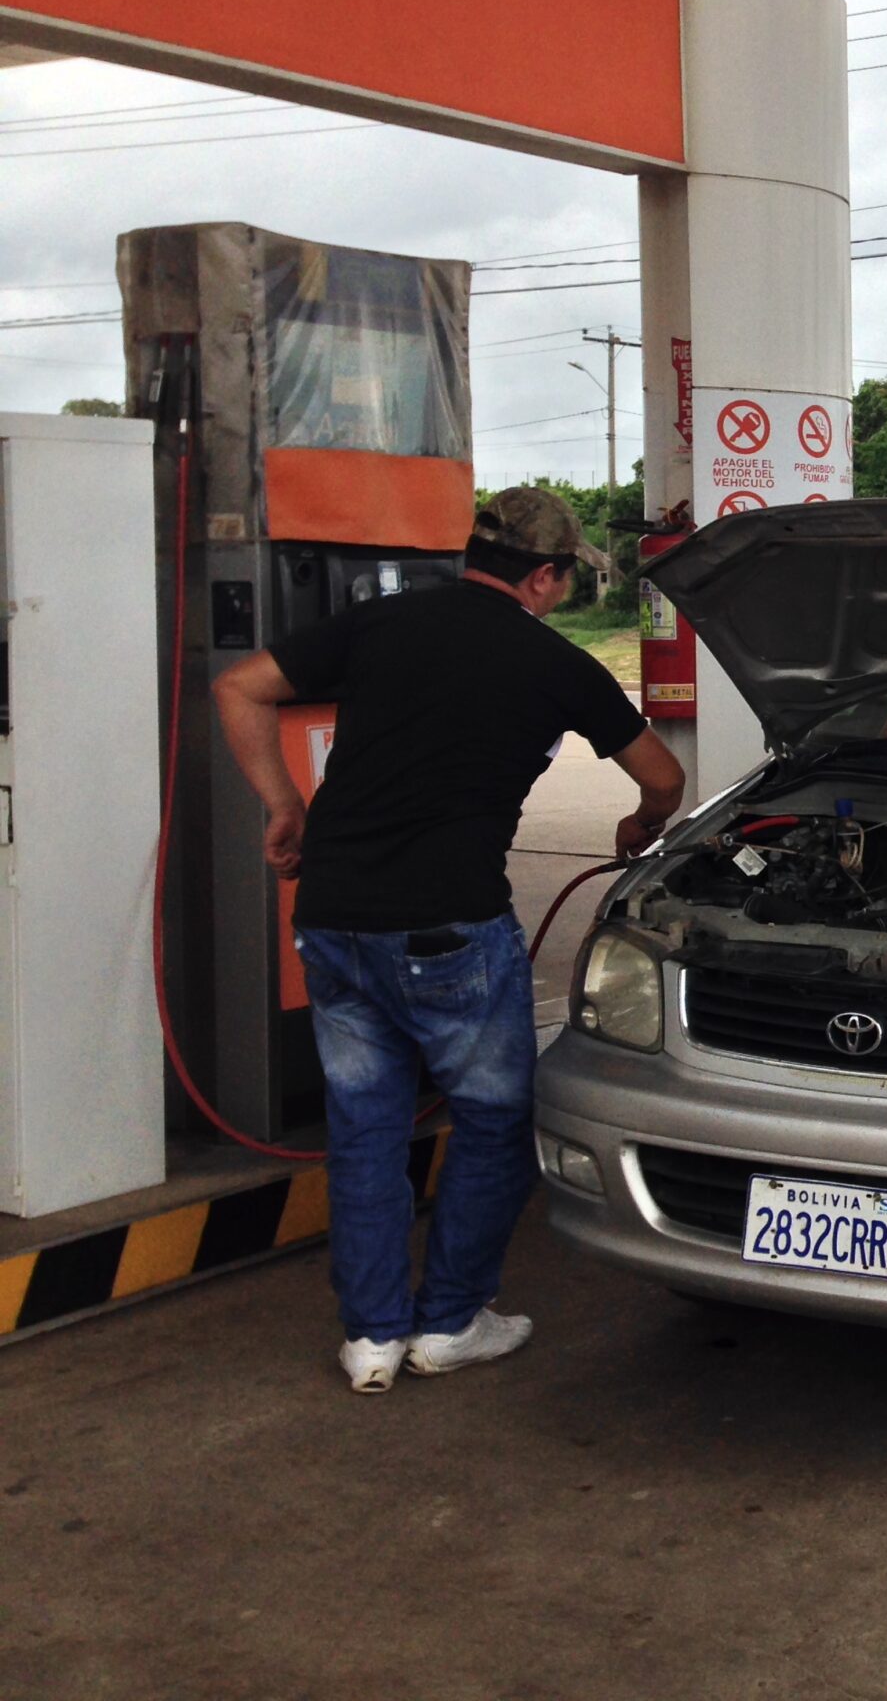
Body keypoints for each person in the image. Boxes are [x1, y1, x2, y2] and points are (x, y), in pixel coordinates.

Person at [213, 489, 687, 1394]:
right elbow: (663, 776)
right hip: (450, 931)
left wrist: (284, 806)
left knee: (364, 1127)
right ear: (543, 577)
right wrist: (639, 824)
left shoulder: (379, 623)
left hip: (334, 919)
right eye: (560, 580)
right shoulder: (555, 661)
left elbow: (236, 687)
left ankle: (372, 1338)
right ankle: (452, 1320)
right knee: (495, 1119)